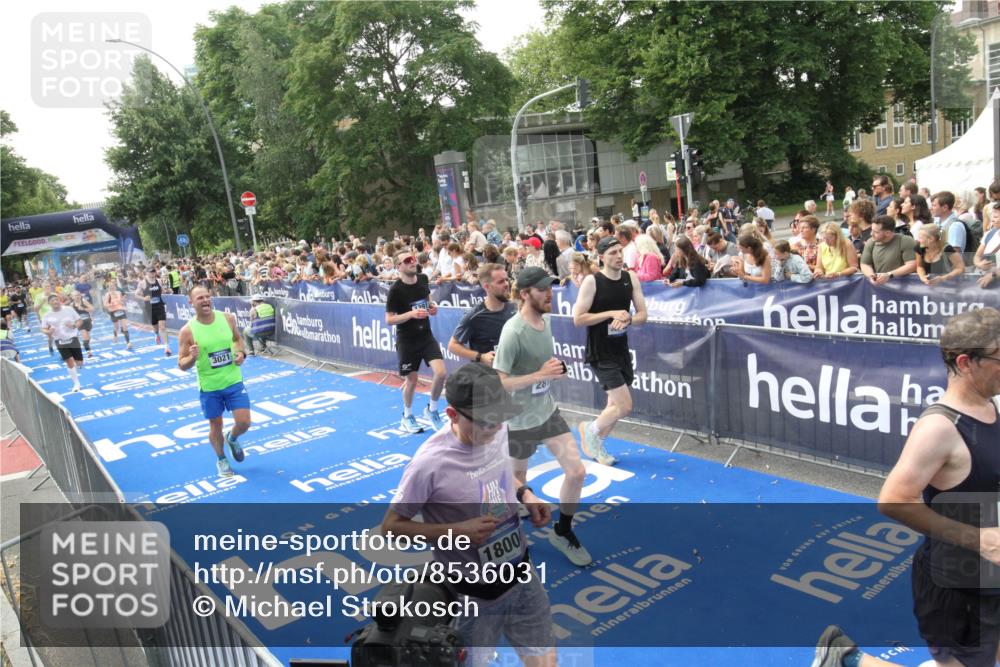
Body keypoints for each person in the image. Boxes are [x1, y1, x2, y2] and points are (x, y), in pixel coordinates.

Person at [381, 363, 555, 667]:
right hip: (474, 596)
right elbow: (391, 527)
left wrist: (526, 494)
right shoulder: (429, 465)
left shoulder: (494, 431)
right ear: (452, 415)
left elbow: (501, 475)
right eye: (487, 422)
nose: (497, 428)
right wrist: (457, 531)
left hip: (522, 576)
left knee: (544, 661)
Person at [867, 308, 1000, 667]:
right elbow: (894, 501)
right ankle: (849, 660)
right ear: (966, 362)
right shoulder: (939, 427)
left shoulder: (992, 405)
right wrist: (981, 539)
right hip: (956, 586)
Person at [493, 266, 592, 566]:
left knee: (576, 472)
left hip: (547, 413)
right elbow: (499, 382)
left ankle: (562, 532)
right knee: (516, 485)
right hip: (517, 422)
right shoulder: (513, 331)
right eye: (542, 289)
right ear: (524, 294)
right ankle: (513, 541)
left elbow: (540, 370)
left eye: (550, 287)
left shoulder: (545, 320)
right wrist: (539, 374)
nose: (549, 293)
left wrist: (552, 372)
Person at [573, 236, 648, 467]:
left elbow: (643, 315)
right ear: (602, 256)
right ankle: (590, 429)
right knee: (624, 406)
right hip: (600, 351)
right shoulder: (592, 282)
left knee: (612, 405)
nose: (618, 256)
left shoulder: (630, 277)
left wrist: (628, 319)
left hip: (621, 348)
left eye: (620, 251)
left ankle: (598, 445)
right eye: (612, 252)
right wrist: (611, 313)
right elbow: (578, 319)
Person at [176, 286, 251, 478]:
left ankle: (232, 438)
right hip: (210, 387)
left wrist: (241, 353)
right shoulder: (187, 331)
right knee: (215, 425)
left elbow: (237, 339)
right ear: (191, 303)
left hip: (233, 381)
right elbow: (182, 364)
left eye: (207, 296)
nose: (205, 300)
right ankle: (222, 460)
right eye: (200, 298)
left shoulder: (227, 318)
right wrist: (192, 358)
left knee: (244, 422)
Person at [385, 250, 448, 433]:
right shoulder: (395, 290)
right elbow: (389, 319)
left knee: (441, 373)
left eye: (413, 258)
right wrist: (411, 314)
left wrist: (432, 307)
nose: (412, 262)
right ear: (399, 267)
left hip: (426, 336)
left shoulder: (422, 279)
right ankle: (407, 416)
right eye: (407, 260)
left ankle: (432, 410)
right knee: (412, 379)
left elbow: (428, 300)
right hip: (407, 339)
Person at [448, 264, 516, 367]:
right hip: (486, 377)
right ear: (487, 287)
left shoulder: (515, 307)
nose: (507, 284)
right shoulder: (474, 315)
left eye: (506, 280)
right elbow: (453, 346)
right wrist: (481, 357)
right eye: (501, 282)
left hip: (513, 374)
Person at [40, 294, 84, 392]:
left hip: (72, 338)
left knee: (79, 362)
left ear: (60, 300)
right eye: (53, 301)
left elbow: (80, 321)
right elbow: (43, 329)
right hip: (60, 341)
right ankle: (76, 383)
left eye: (56, 300)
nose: (55, 302)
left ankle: (76, 367)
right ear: (49, 304)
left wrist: (74, 325)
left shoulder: (69, 309)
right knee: (69, 361)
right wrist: (49, 332)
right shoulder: (47, 315)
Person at [859, 215, 918, 285]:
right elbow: (865, 264)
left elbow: (912, 265)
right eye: (871, 230)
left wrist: (889, 275)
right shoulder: (871, 242)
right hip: (880, 287)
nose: (871, 234)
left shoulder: (905, 241)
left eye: (876, 232)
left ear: (888, 233)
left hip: (904, 286)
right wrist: (871, 275)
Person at [135, 267, 172, 356]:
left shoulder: (158, 281)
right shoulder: (142, 283)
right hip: (150, 308)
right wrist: (143, 298)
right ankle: (156, 334)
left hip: (159, 305)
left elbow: (162, 290)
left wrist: (167, 291)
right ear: (147, 273)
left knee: (162, 326)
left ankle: (167, 347)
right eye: (150, 272)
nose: (152, 273)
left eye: (153, 272)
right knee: (155, 325)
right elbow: (136, 294)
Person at [70, 291, 95, 359]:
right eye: (75, 295)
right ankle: (89, 353)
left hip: (88, 321)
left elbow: (92, 309)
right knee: (85, 337)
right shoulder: (72, 305)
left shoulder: (84, 302)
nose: (77, 297)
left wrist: (84, 308)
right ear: (72, 297)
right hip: (80, 323)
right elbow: (71, 316)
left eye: (78, 295)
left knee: (88, 338)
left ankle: (86, 345)